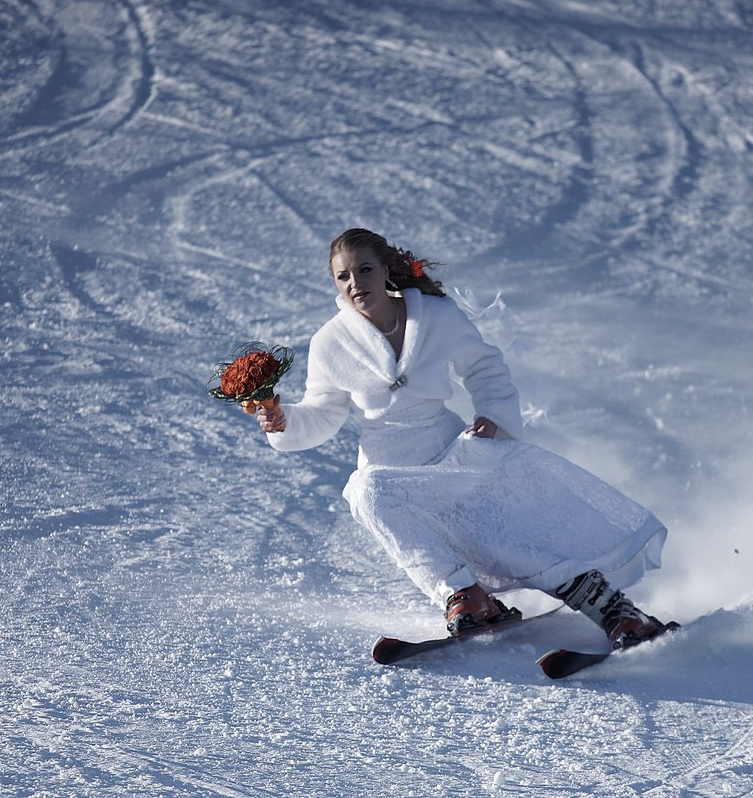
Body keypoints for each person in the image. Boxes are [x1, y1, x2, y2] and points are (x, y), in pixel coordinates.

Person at [252, 228, 672, 648]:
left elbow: (485, 366)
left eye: (364, 270)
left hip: (453, 454)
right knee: (365, 491)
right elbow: (322, 412)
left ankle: (618, 613)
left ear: (385, 270)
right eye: (343, 276)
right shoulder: (330, 342)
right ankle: (465, 597)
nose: (355, 283)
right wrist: (283, 420)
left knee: (509, 541)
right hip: (391, 473)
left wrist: (492, 416)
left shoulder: (435, 315)